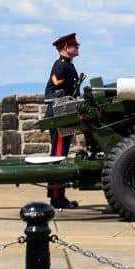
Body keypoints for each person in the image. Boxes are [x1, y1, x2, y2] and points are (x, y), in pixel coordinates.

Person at [44, 32, 81, 209]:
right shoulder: (60, 66)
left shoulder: (68, 65)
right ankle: (56, 198)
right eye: (74, 46)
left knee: (62, 154)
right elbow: (56, 91)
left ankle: (59, 196)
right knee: (58, 155)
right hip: (59, 115)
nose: (77, 48)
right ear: (65, 48)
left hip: (64, 113)